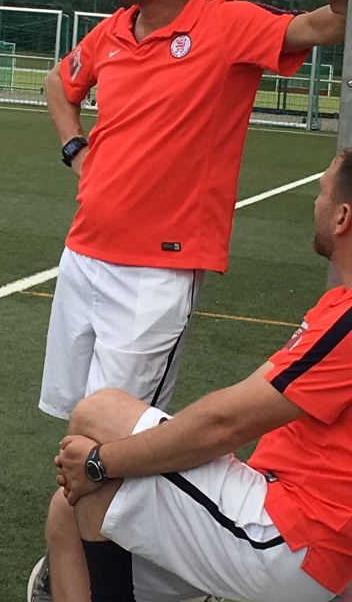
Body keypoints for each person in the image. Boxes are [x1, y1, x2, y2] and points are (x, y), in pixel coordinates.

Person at [31, 0, 352, 602]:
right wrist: (75, 148)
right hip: (84, 254)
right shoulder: (113, 32)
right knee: (79, 418)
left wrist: (339, 0)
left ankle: (110, 565)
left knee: (115, 440)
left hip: (157, 271)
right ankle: (97, 548)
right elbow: (59, 82)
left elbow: (319, 27)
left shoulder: (226, 24)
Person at [54, 149, 352, 602]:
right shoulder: (338, 306)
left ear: (342, 217)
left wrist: (101, 462)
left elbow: (224, 424)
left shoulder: (348, 322)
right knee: (66, 512)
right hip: (287, 519)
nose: (315, 204)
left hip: (295, 539)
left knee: (98, 419)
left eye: (321, 193)